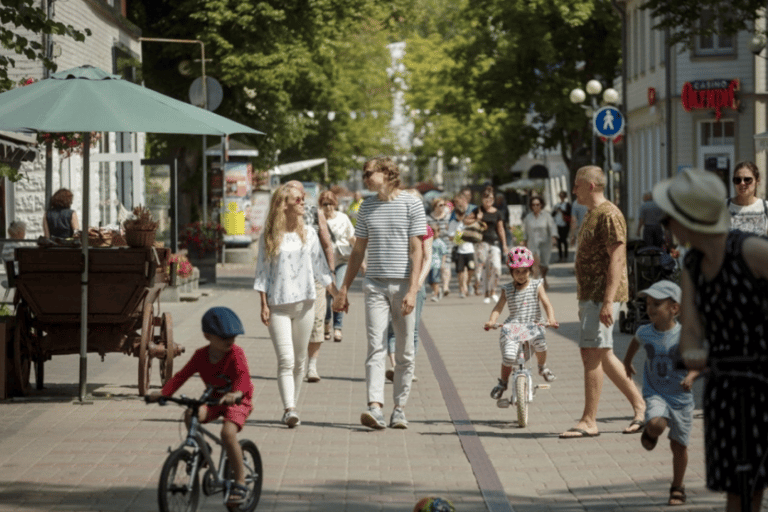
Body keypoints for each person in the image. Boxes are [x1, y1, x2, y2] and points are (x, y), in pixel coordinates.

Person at [653, 167, 768, 512]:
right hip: (726, 387)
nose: (666, 226)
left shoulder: (751, 251)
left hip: (762, 381)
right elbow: (690, 331)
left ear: (688, 220)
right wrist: (691, 354)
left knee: (751, 488)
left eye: (669, 218)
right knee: (738, 488)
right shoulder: (692, 266)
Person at [333, 156, 427, 430]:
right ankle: (375, 407)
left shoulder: (412, 203)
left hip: (403, 285)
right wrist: (344, 288)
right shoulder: (366, 206)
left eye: (368, 173)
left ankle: (399, 408)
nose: (364, 178)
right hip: (374, 284)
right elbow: (358, 250)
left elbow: (416, 250)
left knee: (405, 352)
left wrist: (413, 290)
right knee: (375, 346)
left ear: (386, 173)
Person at [560, 165, 645, 439]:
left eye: (577, 185)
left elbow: (618, 258)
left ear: (591, 186)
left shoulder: (608, 214)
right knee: (603, 354)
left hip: (601, 295)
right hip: (590, 294)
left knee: (590, 353)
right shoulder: (591, 213)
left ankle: (589, 420)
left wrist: (608, 301)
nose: (574, 190)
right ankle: (641, 406)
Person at [147, 307, 253, 506]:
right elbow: (181, 376)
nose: (230, 341)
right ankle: (203, 452)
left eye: (233, 336)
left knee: (228, 434)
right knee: (190, 414)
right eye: (223, 337)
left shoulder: (236, 354)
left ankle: (239, 481)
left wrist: (236, 394)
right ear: (207, 336)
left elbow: (243, 378)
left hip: (238, 401)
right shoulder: (200, 355)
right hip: (213, 400)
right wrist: (163, 394)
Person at [254, 184, 337, 427]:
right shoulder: (269, 236)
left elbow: (321, 270)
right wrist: (263, 304)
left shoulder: (309, 233)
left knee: (301, 360)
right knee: (286, 360)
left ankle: (293, 405)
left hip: (305, 304)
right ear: (284, 204)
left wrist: (337, 295)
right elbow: (262, 272)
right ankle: (289, 407)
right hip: (278, 304)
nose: (303, 203)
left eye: (303, 199)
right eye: (298, 199)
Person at [622, 280, 700, 506]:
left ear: (674, 308)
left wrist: (691, 376)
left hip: (682, 399)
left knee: (679, 447)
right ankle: (651, 432)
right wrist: (627, 363)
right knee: (656, 423)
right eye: (647, 303)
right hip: (655, 392)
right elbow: (634, 343)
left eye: (656, 304)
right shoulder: (645, 331)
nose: (650, 308)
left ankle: (678, 486)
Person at [484, 247, 559, 403]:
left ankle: (542, 367)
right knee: (509, 357)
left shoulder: (536, 285)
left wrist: (551, 318)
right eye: (517, 272)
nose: (521, 275)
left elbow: (546, 303)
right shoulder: (507, 289)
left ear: (530, 270)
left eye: (525, 271)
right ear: (511, 272)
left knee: (541, 345)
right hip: (513, 327)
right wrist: (492, 321)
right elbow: (498, 307)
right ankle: (503, 383)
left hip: (533, 325)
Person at [285, 180, 335, 383]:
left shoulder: (314, 212)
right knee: (291, 322)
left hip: (315, 275)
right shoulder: (278, 214)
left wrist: (330, 271)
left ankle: (312, 366)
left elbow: (326, 242)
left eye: (299, 194)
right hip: (288, 278)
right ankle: (295, 362)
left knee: (316, 319)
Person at [320, 190, 356, 343]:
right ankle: (326, 322)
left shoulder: (343, 218)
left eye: (330, 203)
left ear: (335, 204)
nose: (328, 207)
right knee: (326, 296)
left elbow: (351, 237)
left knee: (340, 291)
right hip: (324, 263)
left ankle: (338, 328)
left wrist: (360, 258)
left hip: (341, 260)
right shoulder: (318, 219)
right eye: (324, 204)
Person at [476, 187, 508, 304]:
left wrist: (504, 244)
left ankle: (494, 290)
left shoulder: (498, 213)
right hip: (481, 243)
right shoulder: (477, 211)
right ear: (482, 199)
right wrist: (477, 219)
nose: (488, 200)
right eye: (486, 198)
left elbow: (501, 229)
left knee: (497, 268)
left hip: (494, 242)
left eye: (491, 198)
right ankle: (486, 293)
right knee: (485, 269)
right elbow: (464, 222)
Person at [522, 196, 557, 289]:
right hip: (533, 243)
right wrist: (524, 241)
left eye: (537, 204)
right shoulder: (528, 217)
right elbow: (525, 230)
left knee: (544, 264)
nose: (535, 206)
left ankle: (544, 277)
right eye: (533, 205)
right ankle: (535, 282)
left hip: (545, 242)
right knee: (535, 263)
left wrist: (554, 236)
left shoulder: (546, 216)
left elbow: (552, 226)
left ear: (541, 205)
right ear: (531, 206)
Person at [447, 194, 478, 299]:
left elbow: (474, 234)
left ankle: (468, 283)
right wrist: (460, 237)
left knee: (471, 269)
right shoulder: (453, 223)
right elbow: (451, 237)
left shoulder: (468, 223)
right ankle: (462, 289)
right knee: (460, 271)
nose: (460, 216)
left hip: (470, 250)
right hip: (459, 251)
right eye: (458, 214)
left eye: (462, 214)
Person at [727, 160, 768, 236]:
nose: (742, 183)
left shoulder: (766, 207)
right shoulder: (724, 206)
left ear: (757, 181)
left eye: (747, 180)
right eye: (738, 180)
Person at [428, 197, 452, 297]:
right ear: (435, 206)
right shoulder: (428, 218)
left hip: (446, 244)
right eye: (440, 205)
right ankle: (437, 287)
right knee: (433, 269)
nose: (443, 207)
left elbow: (458, 229)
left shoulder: (448, 217)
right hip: (432, 246)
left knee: (445, 266)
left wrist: (457, 240)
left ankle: (445, 287)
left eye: (444, 205)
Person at [428, 224, 448, 302]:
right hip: (429, 264)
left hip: (436, 263)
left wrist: (442, 263)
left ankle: (435, 295)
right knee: (430, 281)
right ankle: (438, 290)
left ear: (438, 232)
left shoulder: (440, 242)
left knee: (435, 280)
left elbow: (444, 253)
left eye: (434, 232)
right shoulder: (429, 241)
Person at [553, 191, 572, 262]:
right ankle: (560, 257)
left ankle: (566, 256)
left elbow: (569, 213)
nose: (561, 197)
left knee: (564, 240)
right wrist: (556, 210)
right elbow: (553, 214)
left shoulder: (567, 204)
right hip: (558, 224)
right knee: (559, 241)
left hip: (565, 224)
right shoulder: (557, 204)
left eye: (563, 196)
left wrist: (562, 211)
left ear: (565, 197)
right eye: (560, 196)